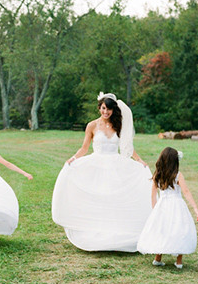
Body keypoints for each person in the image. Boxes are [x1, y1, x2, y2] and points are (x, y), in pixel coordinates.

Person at [52, 92, 152, 252]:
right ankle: (95, 232)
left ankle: (114, 233)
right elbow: (84, 148)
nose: (106, 112)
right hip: (96, 164)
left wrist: (139, 160)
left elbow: (127, 146)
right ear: (99, 108)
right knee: (98, 196)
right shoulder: (92, 126)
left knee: (114, 197)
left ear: (113, 110)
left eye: (109, 109)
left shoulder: (118, 125)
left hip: (115, 165)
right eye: (104, 108)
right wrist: (74, 158)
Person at [137, 147, 198, 269]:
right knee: (179, 230)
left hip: (162, 206)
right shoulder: (178, 175)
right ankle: (179, 261)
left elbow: (153, 195)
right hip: (177, 206)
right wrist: (196, 209)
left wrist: (155, 210)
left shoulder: (157, 175)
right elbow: (186, 192)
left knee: (162, 229)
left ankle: (158, 258)